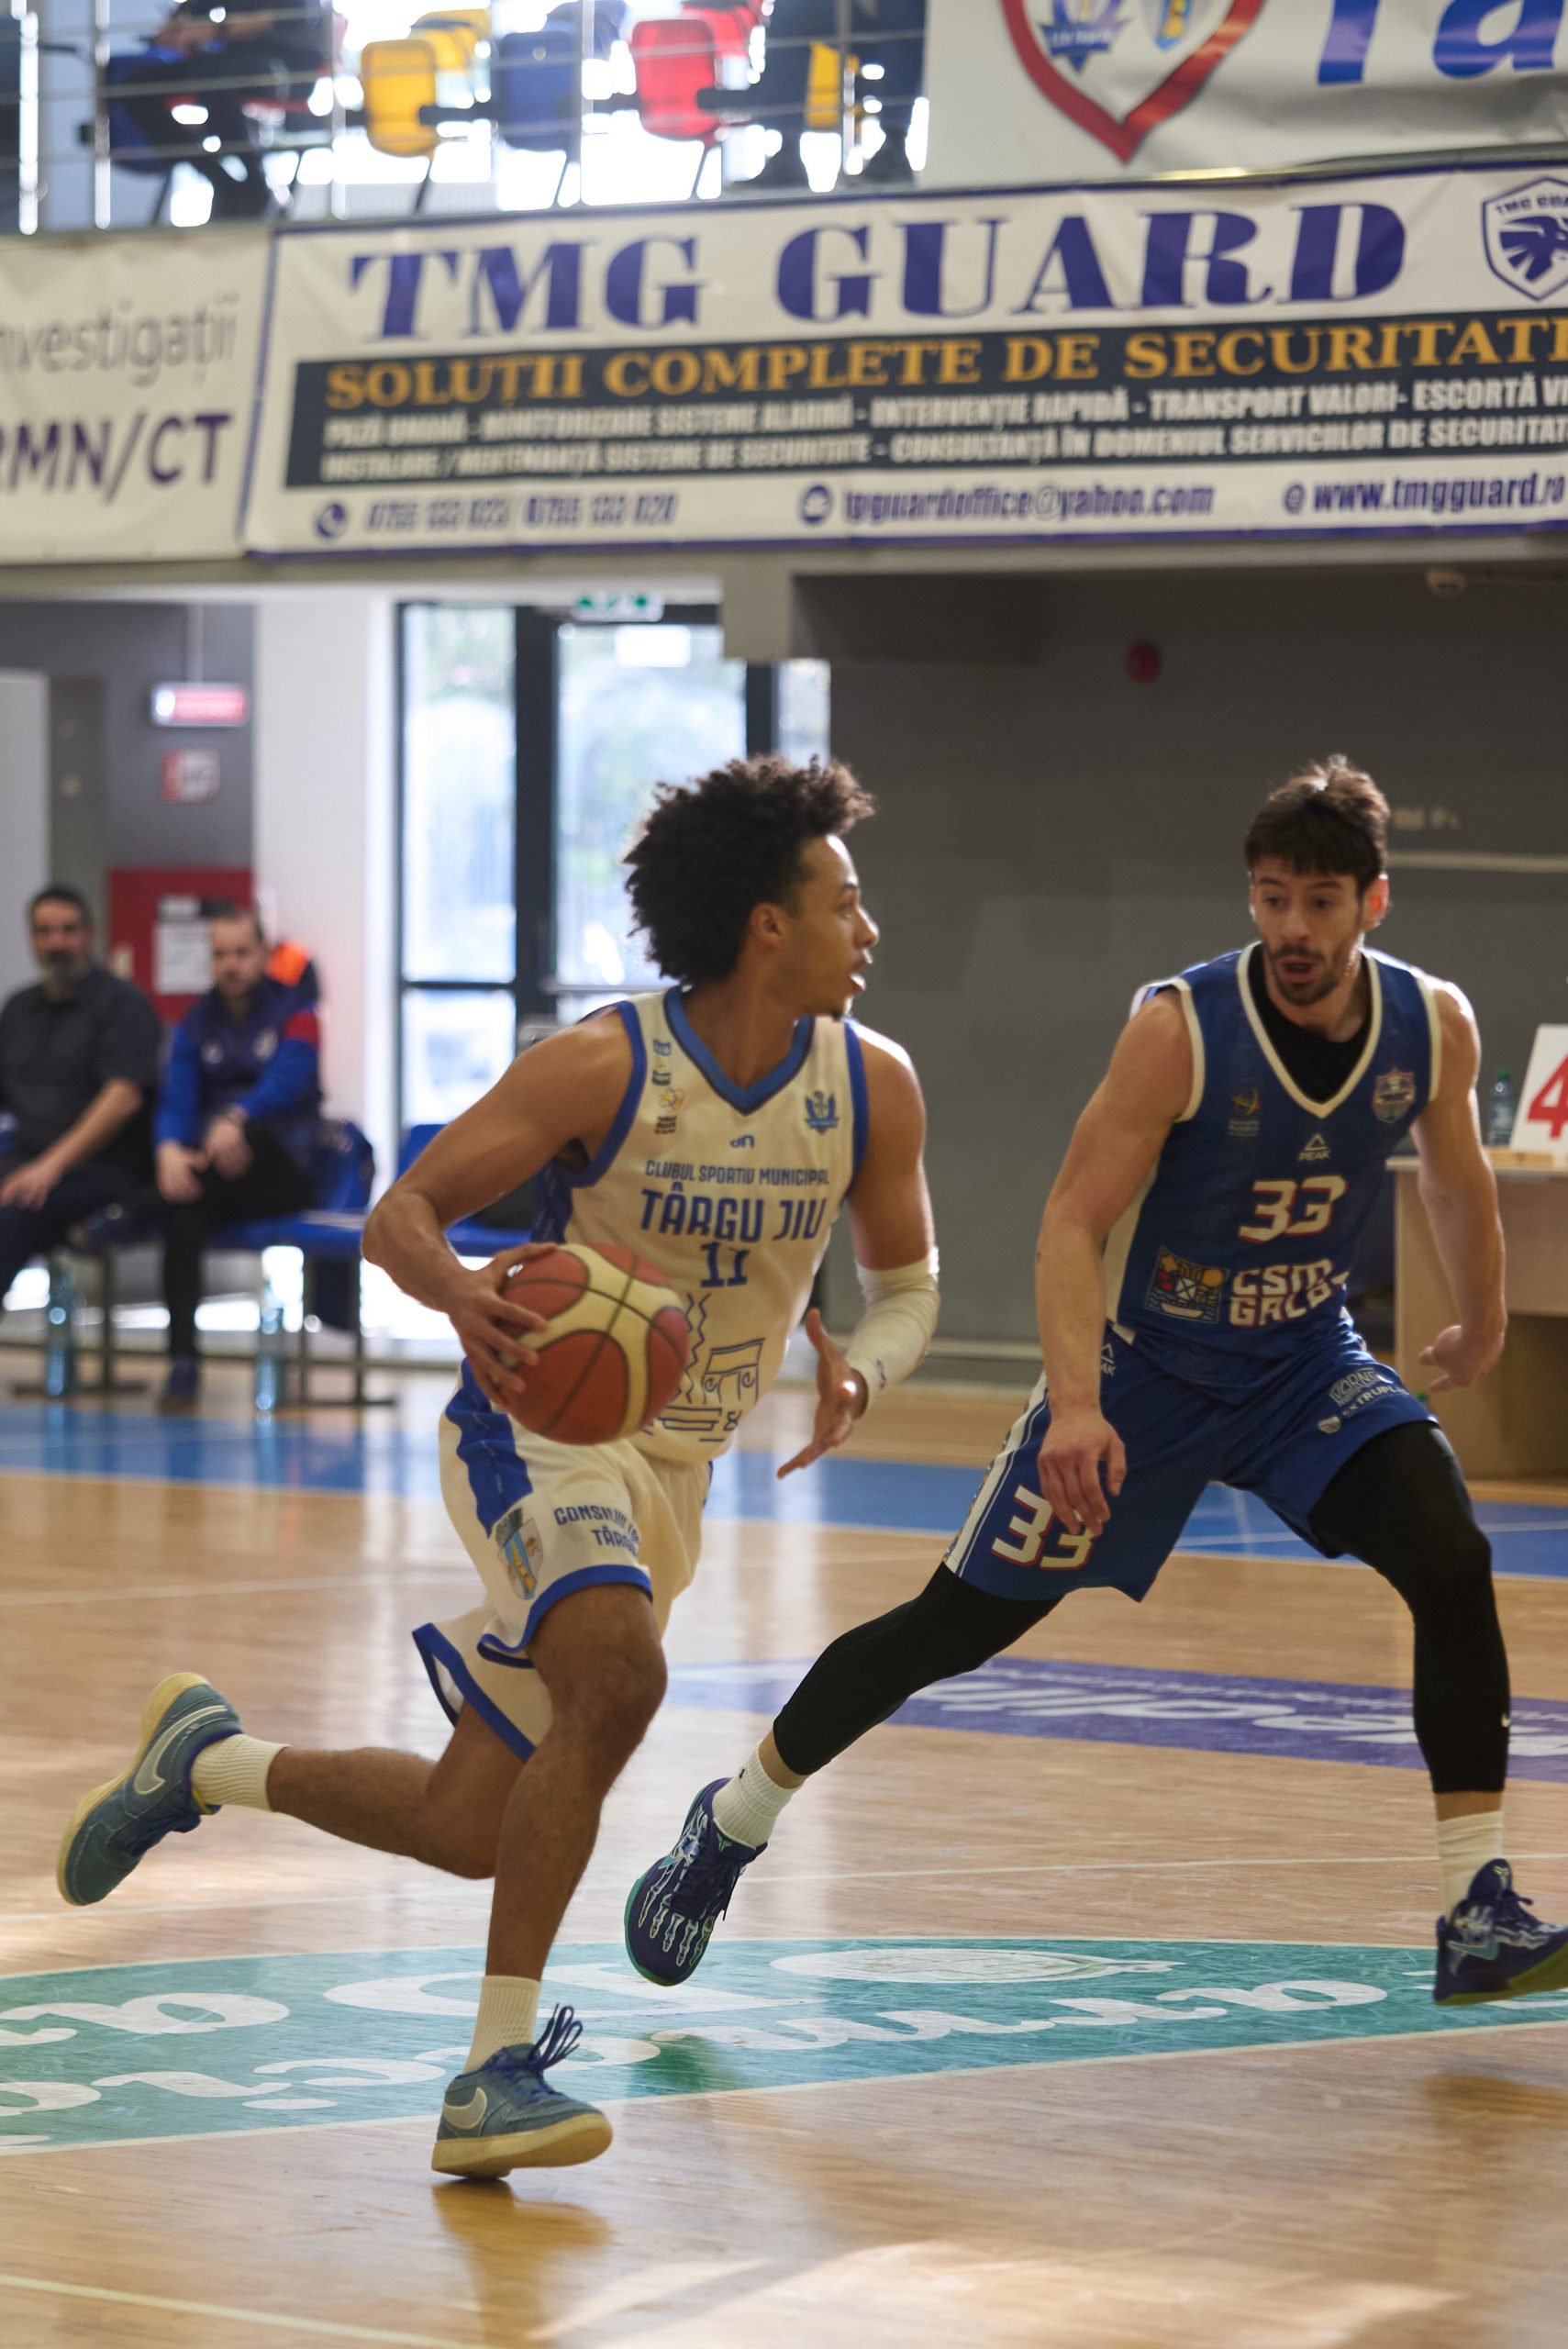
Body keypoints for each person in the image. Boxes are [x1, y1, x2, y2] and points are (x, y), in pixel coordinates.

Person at [56, 754, 940, 2177]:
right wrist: (464, 1297)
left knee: (467, 1823)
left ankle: (203, 1763)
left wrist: (862, 1369)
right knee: (621, 1679)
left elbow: (907, 1288)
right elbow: (399, 1215)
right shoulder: (607, 1065)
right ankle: (493, 2074)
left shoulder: (871, 1085)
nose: (868, 927)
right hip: (537, 1430)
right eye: (844, 901)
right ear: (768, 924)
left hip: (677, 1476)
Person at [628, 756, 1568, 2013]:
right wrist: (1076, 1405)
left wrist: (1484, 1317)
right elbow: (1071, 1220)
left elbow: (1454, 1177)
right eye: (1271, 898)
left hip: (1304, 1366)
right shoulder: (1180, 1028)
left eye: (1319, 902)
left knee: (1451, 1556)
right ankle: (732, 1821)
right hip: (1150, 1375)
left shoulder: (1430, 1021)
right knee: (953, 1628)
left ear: (1372, 903)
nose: (1292, 927)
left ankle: (1477, 1905)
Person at [151, 904, 323, 1407]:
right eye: (220, 955)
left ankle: (134, 1205)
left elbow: (287, 1082)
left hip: (285, 1167)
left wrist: (235, 1118)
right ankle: (183, 1363)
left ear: (264, 954)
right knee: (182, 1214)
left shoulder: (299, 1012)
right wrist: (167, 1150)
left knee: (249, 1137)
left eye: (242, 953)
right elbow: (178, 1098)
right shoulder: (195, 1022)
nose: (230, 965)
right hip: (221, 1177)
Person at [0, 886, 161, 1312]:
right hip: (26, 1158)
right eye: (45, 931)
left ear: (89, 934)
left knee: (13, 1213)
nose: (57, 943)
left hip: (103, 1170)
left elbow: (123, 1097)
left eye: (68, 930)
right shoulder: (18, 1010)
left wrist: (49, 1167)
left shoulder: (123, 1005)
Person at [106, 0, 329, 219]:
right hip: (227, 65)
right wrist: (179, 27)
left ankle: (257, 184)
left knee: (215, 80)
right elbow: (196, 9)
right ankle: (221, 181)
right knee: (136, 89)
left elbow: (282, 18)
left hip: (283, 72)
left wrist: (210, 31)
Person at [742, 0, 927, 194]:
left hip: (921, 18)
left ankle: (894, 147)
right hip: (862, 13)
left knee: (900, 6)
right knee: (791, 8)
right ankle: (787, 153)